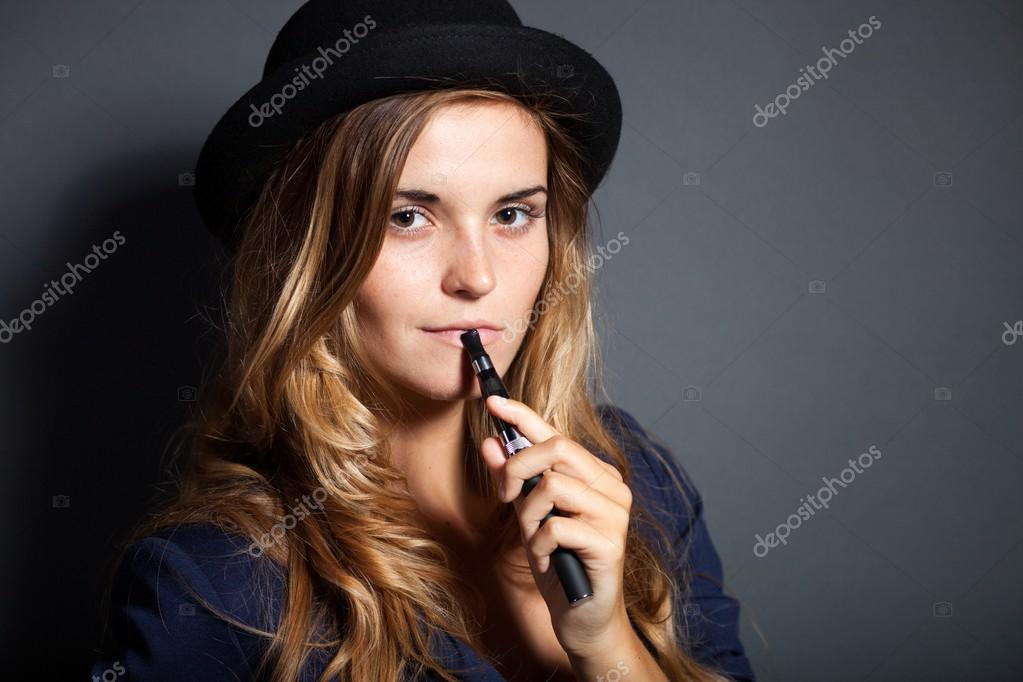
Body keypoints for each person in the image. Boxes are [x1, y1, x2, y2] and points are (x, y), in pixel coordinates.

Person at [90, 1, 756, 680]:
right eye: (407, 216)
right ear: (306, 255)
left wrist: (607, 642)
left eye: (512, 213)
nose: (477, 276)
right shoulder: (212, 583)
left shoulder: (636, 481)